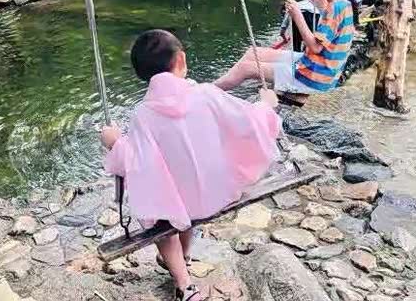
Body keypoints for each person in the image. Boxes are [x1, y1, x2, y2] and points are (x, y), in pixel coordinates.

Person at [100, 30, 281, 301]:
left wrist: (115, 142)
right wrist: (266, 106)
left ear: (141, 74)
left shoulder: (143, 115)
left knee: (161, 206)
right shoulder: (206, 94)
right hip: (219, 193)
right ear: (181, 60)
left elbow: (135, 164)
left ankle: (184, 285)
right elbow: (248, 123)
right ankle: (184, 255)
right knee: (180, 192)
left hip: (183, 205)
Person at [215, 0, 357, 94]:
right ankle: (218, 86)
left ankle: (207, 91)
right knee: (253, 53)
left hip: (314, 79)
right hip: (314, 66)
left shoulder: (334, 8)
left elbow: (315, 47)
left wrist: (297, 15)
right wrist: (320, 4)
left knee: (245, 69)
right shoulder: (343, 4)